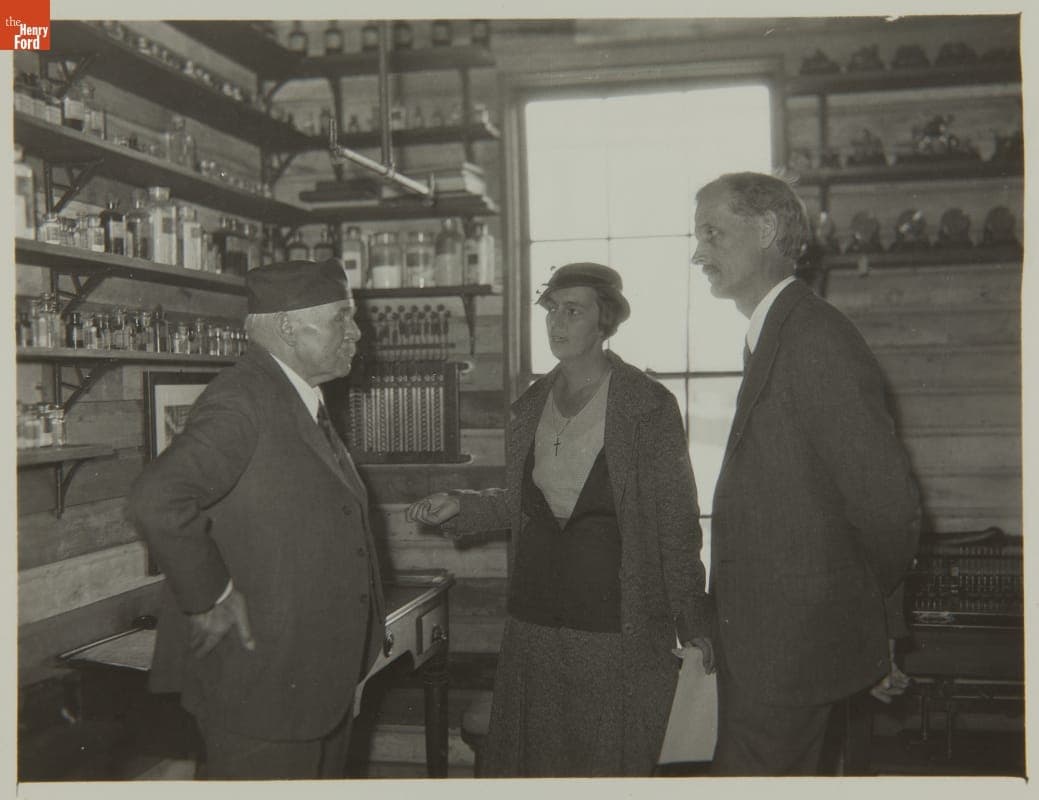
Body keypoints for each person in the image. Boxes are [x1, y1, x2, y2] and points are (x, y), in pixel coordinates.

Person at [406, 262, 712, 777]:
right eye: (552, 308)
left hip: (615, 626)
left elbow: (675, 523)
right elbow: (530, 502)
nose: (556, 321)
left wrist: (694, 622)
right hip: (535, 623)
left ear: (604, 321)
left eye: (574, 310)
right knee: (539, 764)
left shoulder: (648, 406)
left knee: (610, 765)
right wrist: (464, 505)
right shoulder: (530, 405)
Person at [691, 172, 921, 776]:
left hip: (789, 649)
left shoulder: (816, 337)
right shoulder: (775, 333)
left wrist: (865, 622)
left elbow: (887, 509)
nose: (698, 253)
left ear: (767, 229)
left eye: (712, 233)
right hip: (766, 643)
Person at [128, 258, 384, 780]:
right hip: (262, 689)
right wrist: (210, 598)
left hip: (312, 683)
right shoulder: (243, 397)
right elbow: (157, 497)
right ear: (288, 326)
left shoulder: (299, 397)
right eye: (342, 317)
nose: (357, 332)